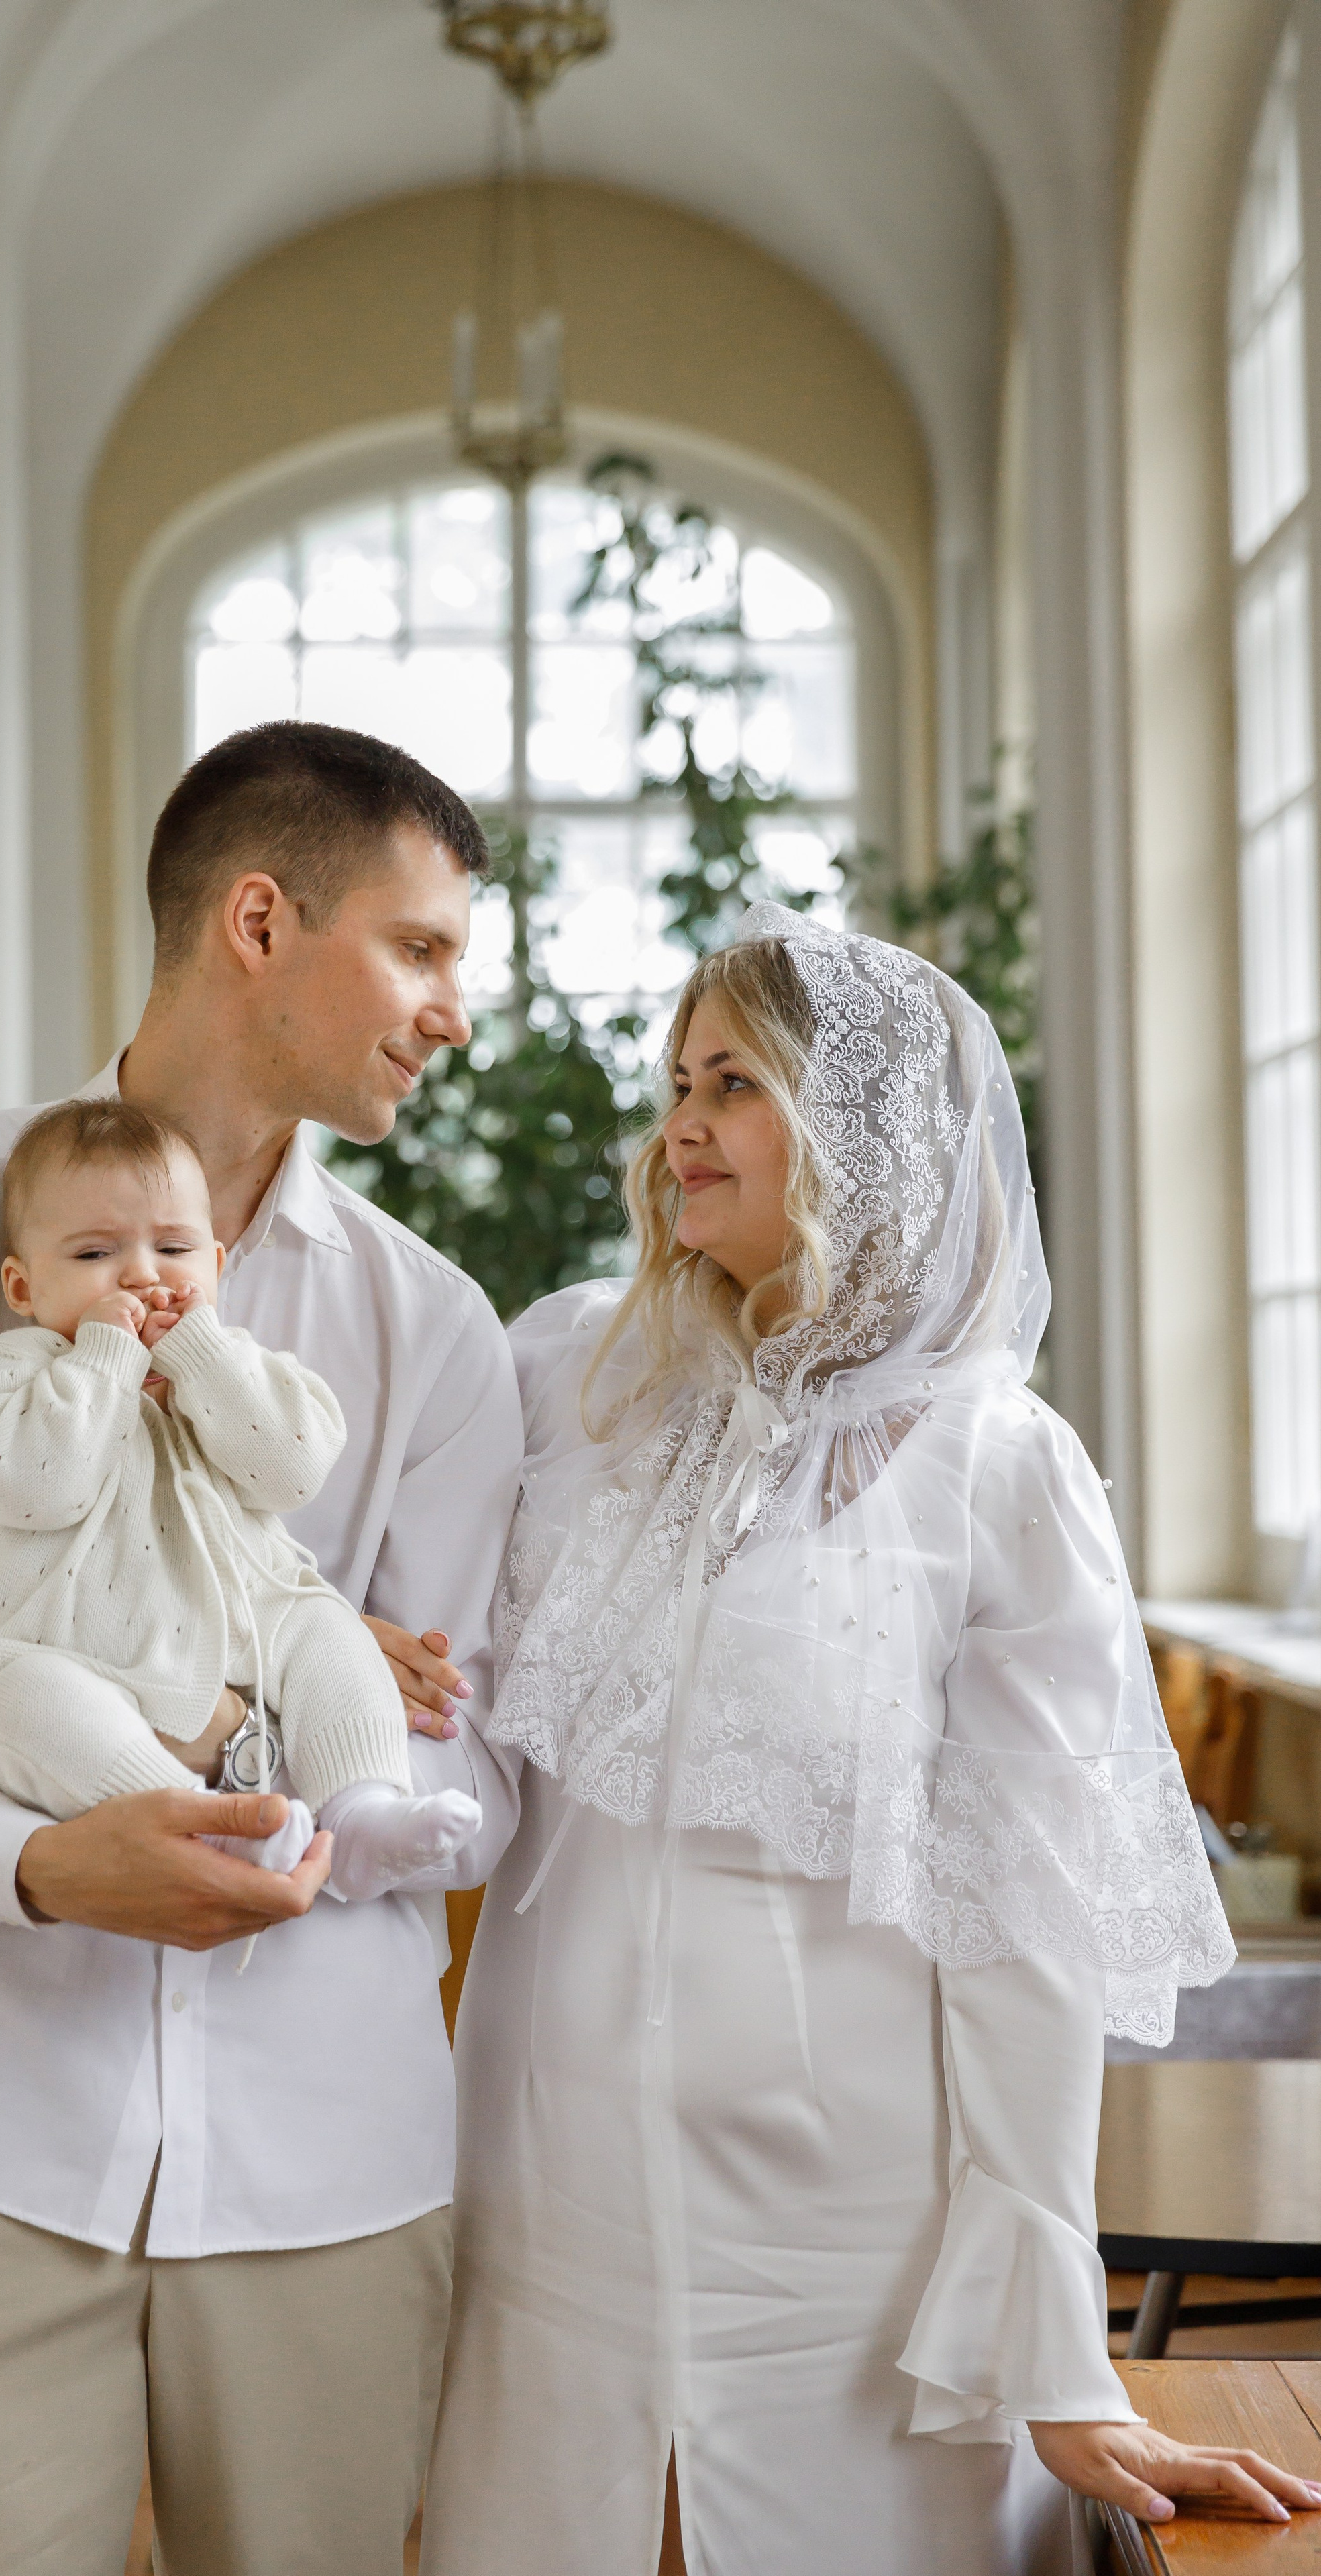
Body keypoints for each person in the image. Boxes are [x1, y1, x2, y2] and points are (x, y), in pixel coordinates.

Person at [421, 907, 1321, 2576]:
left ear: (862, 1131)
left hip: (848, 2251)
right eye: (676, 1079)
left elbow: (1023, 1935)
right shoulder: (569, 1370)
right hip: (545, 2199)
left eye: (733, 1082)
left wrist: (1056, 2359)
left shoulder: (998, 1464)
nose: (677, 1125)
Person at [0, 720, 522, 2576]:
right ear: (260, 919)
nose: (453, 1014)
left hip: (331, 2172)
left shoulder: (434, 1328)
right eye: (421, 952)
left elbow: (469, 1761)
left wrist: (303, 1776)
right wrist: (31, 1861)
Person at [0, 1094, 482, 1896]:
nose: (140, 1274)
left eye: (172, 1247)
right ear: (23, 1287)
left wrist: (200, 1354)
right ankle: (194, 1827)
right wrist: (103, 1356)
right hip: (61, 1651)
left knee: (329, 1631)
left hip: (241, 1634)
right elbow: (38, 1490)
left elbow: (293, 1468)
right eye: (95, 1255)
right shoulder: (15, 1374)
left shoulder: (229, 1367)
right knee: (21, 1705)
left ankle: (364, 1810)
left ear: (217, 1267)